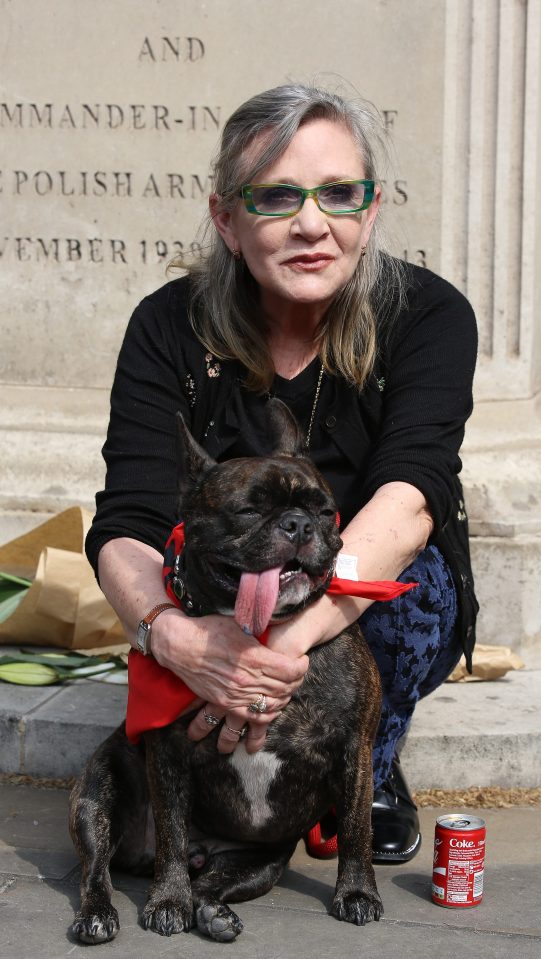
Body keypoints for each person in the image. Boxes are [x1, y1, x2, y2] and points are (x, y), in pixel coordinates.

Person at [85, 83, 478, 864]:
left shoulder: (428, 315)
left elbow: (410, 496)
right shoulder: (168, 325)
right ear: (226, 220)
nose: (311, 223)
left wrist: (277, 658)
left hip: (362, 596)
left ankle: (367, 765)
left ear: (369, 211)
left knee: (411, 588)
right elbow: (125, 518)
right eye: (276, 197)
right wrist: (179, 640)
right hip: (219, 589)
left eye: (339, 193)